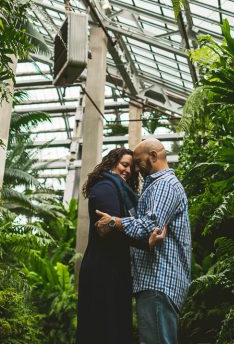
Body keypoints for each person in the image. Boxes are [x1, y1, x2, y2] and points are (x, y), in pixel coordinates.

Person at [95, 138, 191, 344]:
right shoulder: (158, 186)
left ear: (153, 156)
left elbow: (149, 227)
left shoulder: (164, 186)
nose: (135, 170)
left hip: (159, 279)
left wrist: (114, 221)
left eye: (138, 162)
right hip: (156, 281)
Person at [76, 147, 165, 344]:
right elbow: (110, 230)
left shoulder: (120, 190)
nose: (127, 170)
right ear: (111, 163)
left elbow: (117, 226)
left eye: (131, 168)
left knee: (113, 329)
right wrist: (146, 242)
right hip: (103, 271)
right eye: (124, 164)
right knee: (103, 330)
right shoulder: (106, 187)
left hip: (114, 269)